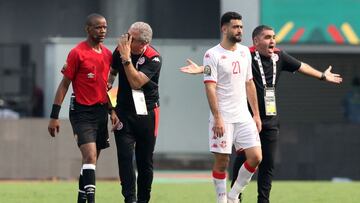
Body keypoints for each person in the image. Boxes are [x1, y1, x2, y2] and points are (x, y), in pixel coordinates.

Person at [181, 24, 343, 203]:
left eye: (273, 37)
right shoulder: (246, 54)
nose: (272, 40)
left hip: (270, 120)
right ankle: (236, 198)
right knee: (242, 159)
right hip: (247, 118)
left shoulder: (279, 56)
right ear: (256, 41)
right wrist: (201, 69)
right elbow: (223, 63)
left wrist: (322, 76)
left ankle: (262, 200)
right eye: (267, 37)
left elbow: (301, 66)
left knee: (267, 164)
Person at [187, 12, 264, 203]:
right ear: (224, 28)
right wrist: (218, 117)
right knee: (222, 162)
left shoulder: (245, 51)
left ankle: (233, 196)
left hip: (243, 116)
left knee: (256, 157)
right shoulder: (212, 54)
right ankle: (221, 200)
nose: (240, 30)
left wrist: (256, 115)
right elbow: (210, 87)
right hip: (223, 117)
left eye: (241, 27)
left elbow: (249, 83)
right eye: (235, 26)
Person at [47, 13, 120, 203]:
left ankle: (81, 199)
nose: (103, 30)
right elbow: (64, 85)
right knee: (90, 155)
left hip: (100, 111)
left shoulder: (107, 55)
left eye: (105, 27)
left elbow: (105, 87)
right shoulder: (77, 53)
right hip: (81, 111)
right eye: (98, 27)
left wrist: (112, 110)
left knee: (91, 161)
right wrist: (54, 116)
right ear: (88, 29)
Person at [108, 22, 162, 203]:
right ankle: (129, 199)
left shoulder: (154, 58)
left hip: (147, 113)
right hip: (124, 111)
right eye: (127, 34)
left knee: (144, 161)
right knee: (124, 157)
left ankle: (143, 200)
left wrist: (127, 59)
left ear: (141, 43)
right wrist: (111, 105)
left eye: (130, 37)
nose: (125, 39)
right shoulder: (120, 50)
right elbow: (112, 72)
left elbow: (136, 82)